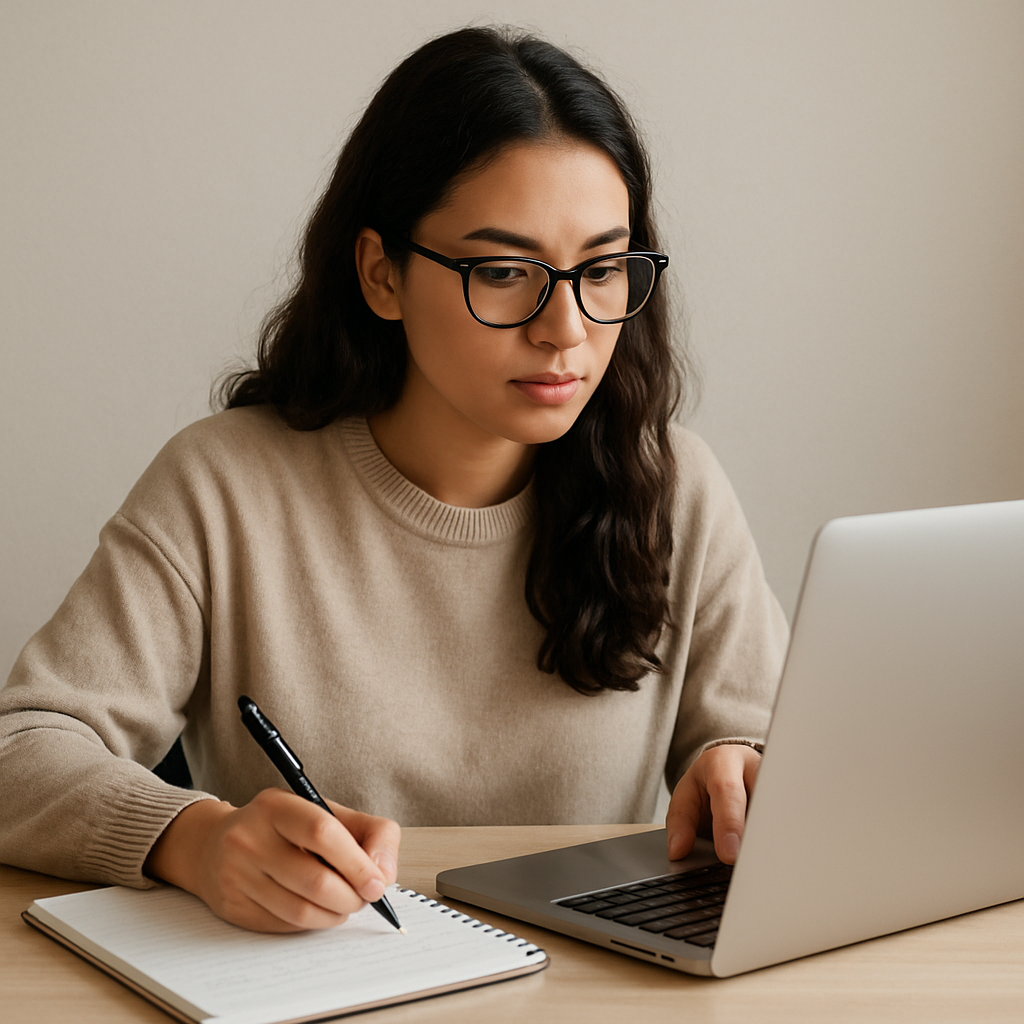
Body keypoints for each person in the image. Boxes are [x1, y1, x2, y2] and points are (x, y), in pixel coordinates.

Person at [0, 26, 788, 934]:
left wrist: (744, 766)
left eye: (602, 270)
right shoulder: (223, 486)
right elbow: (23, 751)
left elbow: (779, 749)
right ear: (382, 274)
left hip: (595, 987)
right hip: (326, 980)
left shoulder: (673, 484)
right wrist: (194, 836)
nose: (566, 328)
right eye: (503, 271)